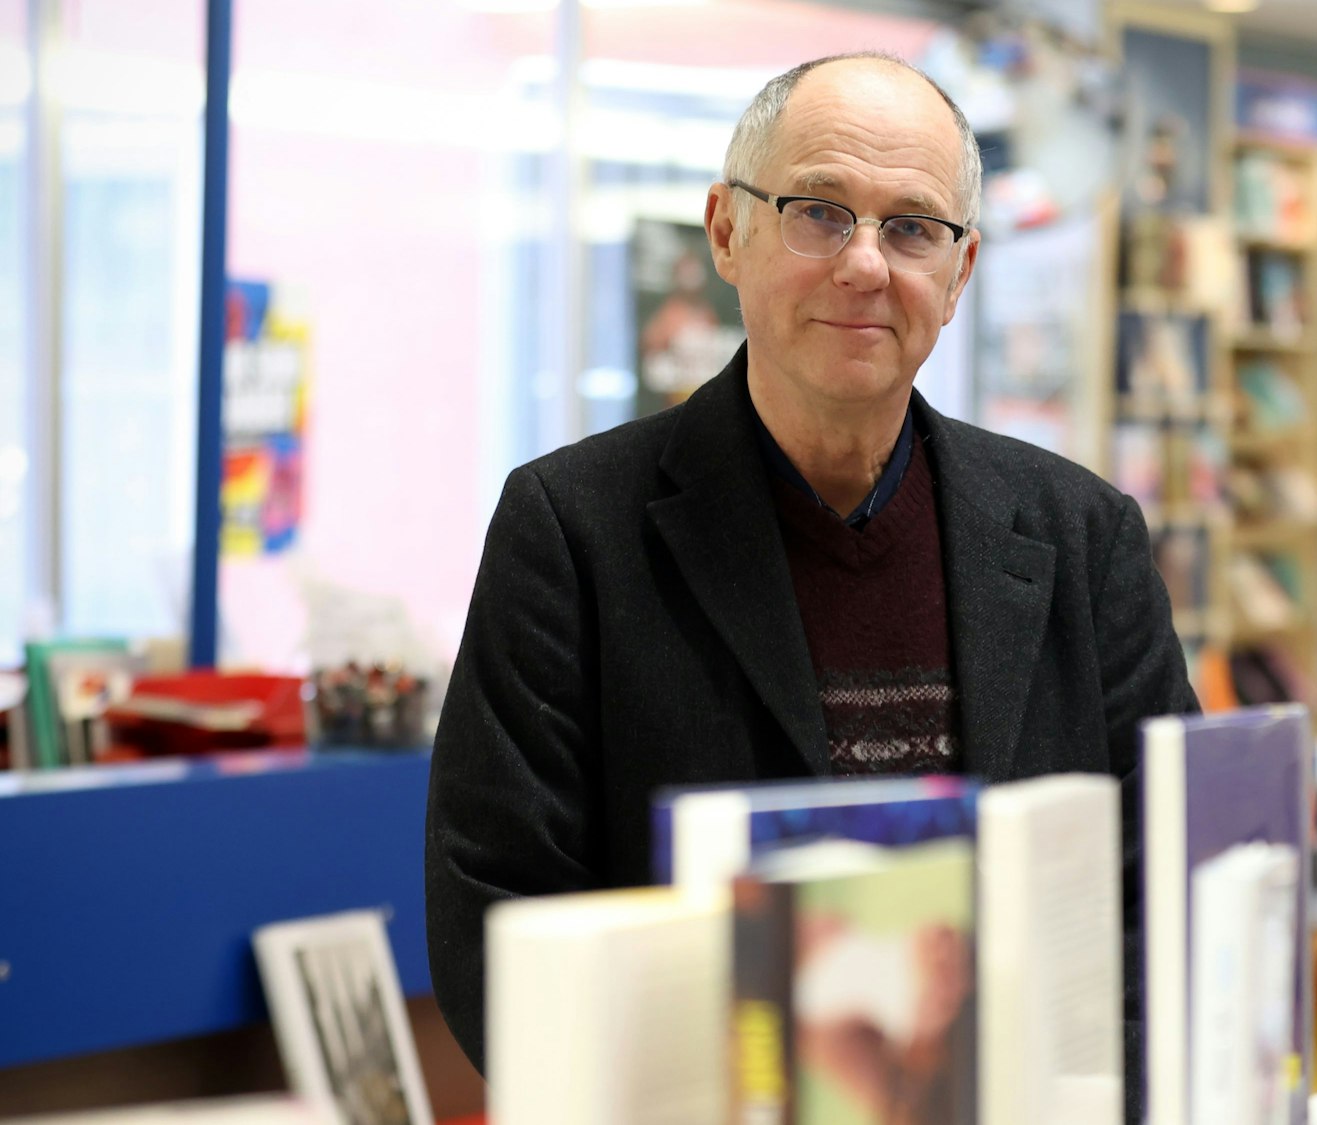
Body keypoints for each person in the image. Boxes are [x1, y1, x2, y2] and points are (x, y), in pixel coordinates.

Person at [423, 51, 1198, 1118]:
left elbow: (1163, 891)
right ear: (725, 230)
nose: (867, 264)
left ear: (961, 271)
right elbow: (496, 918)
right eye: (820, 212)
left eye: (913, 226)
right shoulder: (573, 532)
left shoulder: (1081, 536)